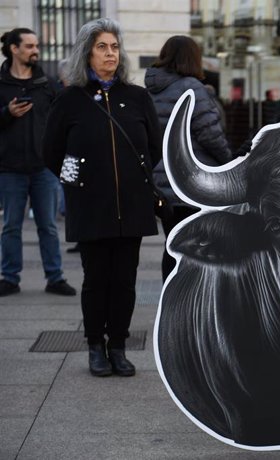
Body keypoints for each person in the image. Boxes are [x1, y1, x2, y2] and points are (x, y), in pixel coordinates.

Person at [43, 18, 161, 377]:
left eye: (114, 47)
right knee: (96, 279)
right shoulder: (69, 101)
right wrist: (77, 185)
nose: (110, 54)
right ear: (86, 53)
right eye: (102, 47)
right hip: (91, 208)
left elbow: (153, 148)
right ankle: (96, 346)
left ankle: (119, 346)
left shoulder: (137, 97)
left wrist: (129, 180)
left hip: (132, 207)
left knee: (125, 280)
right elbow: (51, 152)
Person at [144, 35, 234, 281]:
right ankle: (189, 309)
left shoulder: (150, 91)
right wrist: (229, 163)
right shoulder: (191, 87)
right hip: (191, 181)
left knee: (172, 245)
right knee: (197, 249)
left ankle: (169, 303)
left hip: (163, 181)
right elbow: (210, 134)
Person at [0, 28, 76, 297]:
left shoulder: (47, 84)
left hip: (43, 168)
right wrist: (6, 113)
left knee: (49, 226)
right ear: (14, 49)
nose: (36, 50)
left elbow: (62, 119)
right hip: (9, 169)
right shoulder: (1, 84)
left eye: (36, 45)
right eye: (30, 45)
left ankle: (55, 277)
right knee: (11, 226)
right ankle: (9, 277)